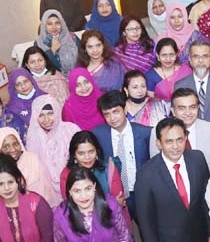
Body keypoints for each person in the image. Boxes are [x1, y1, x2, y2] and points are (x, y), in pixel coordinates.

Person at [134, 117, 210, 242]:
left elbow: (206, 200)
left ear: (186, 138)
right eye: (169, 141)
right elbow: (146, 219)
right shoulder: (146, 173)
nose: (176, 146)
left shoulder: (198, 159)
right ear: (159, 143)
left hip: (197, 236)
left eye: (180, 139)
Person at [93, 90, 153, 220]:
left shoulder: (145, 133)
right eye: (107, 114)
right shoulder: (98, 134)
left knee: (146, 228)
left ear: (125, 109)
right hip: (114, 195)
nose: (112, 118)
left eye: (116, 112)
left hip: (139, 193)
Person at [156, 88, 210, 175]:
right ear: (173, 110)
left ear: (198, 108)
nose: (188, 113)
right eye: (182, 108)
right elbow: (157, 169)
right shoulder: (160, 131)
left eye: (192, 107)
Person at [26, 94, 81, 201]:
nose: (46, 119)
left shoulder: (71, 130)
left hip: (75, 184)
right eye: (41, 115)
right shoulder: (33, 139)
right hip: (49, 193)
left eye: (50, 113)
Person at [0, 127, 59, 206]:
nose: (13, 150)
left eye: (15, 144)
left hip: (37, 208)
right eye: (6, 146)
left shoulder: (32, 159)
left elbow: (46, 190)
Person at [60, 131, 124, 207]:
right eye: (81, 153)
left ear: (97, 151)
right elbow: (71, 205)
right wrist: (109, 204)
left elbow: (119, 200)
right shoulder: (67, 174)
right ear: (74, 155)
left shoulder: (109, 168)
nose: (87, 157)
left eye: (91, 151)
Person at [146, 38, 194, 102]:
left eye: (171, 55)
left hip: (185, 109)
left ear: (176, 54)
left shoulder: (186, 71)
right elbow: (151, 103)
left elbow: (192, 95)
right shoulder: (150, 75)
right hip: (160, 110)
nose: (168, 59)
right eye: (164, 55)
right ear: (158, 56)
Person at [36, 9, 80, 75]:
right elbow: (38, 67)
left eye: (57, 23)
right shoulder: (39, 43)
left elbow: (83, 58)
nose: (54, 27)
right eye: (50, 24)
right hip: (53, 81)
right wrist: (52, 50)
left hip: (76, 76)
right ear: (44, 26)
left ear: (62, 24)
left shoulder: (72, 38)